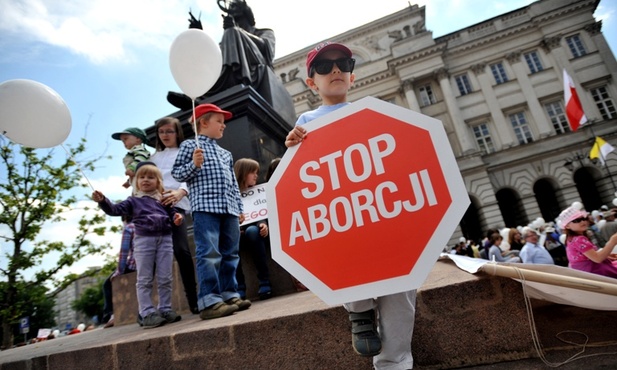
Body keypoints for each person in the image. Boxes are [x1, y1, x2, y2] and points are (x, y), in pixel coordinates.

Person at [285, 41, 416, 370]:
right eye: (325, 67)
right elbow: (300, 174)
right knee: (347, 268)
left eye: (343, 63)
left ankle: (395, 363)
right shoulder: (307, 120)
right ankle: (359, 313)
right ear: (312, 82)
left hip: (382, 216)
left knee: (402, 291)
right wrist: (291, 147)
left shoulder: (372, 111)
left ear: (352, 76)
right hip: (344, 220)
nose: (335, 70)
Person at [172, 103, 251, 320]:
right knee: (209, 252)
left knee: (230, 252)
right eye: (219, 121)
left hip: (229, 209)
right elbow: (177, 173)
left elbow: (233, 183)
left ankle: (229, 294)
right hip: (205, 208)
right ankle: (209, 300)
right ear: (204, 123)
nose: (224, 125)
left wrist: (239, 207)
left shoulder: (225, 153)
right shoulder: (190, 146)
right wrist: (193, 165)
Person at [93, 161, 184, 329]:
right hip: (144, 241)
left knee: (165, 277)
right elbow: (114, 210)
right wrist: (103, 201)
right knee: (144, 278)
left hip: (165, 240)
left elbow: (173, 214)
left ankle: (165, 308)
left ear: (158, 182)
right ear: (136, 181)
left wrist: (177, 218)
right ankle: (146, 312)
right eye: (142, 177)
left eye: (151, 177)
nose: (146, 180)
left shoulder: (163, 200)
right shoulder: (133, 201)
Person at [151, 117, 199, 314]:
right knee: (153, 255)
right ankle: (153, 308)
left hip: (176, 204)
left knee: (181, 250)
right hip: (154, 208)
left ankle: (193, 300)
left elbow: (192, 173)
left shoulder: (185, 152)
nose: (165, 135)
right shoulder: (153, 157)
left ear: (177, 132)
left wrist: (181, 192)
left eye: (169, 131)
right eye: (161, 132)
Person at [558, 206, 617, 278]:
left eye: (584, 218)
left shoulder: (572, 239)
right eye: (576, 220)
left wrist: (606, 256)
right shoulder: (578, 239)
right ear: (567, 226)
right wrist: (612, 241)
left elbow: (588, 256)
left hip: (591, 273)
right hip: (596, 273)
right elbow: (597, 258)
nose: (582, 221)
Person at [102, 215, 137, 328]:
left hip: (134, 265)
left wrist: (119, 272)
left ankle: (111, 315)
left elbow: (124, 254)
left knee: (107, 284)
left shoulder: (129, 227)